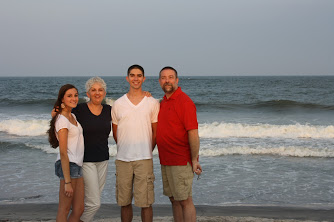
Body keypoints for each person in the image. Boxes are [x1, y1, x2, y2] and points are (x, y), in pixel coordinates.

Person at [51, 77, 112, 222]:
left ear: (104, 93)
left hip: (101, 159)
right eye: (93, 90)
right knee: (93, 203)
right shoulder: (78, 110)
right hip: (83, 162)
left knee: (84, 204)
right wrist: (56, 111)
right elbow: (57, 116)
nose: (97, 93)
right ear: (88, 93)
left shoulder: (109, 109)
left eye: (100, 90)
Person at [111, 64, 159, 222]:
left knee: (145, 203)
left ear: (143, 79)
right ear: (127, 78)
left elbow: (155, 132)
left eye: (139, 75)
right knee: (124, 202)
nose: (136, 78)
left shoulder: (152, 102)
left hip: (144, 159)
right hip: (123, 160)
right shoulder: (118, 104)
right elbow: (117, 133)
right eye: (132, 75)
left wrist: (147, 149)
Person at [156, 66, 202, 222]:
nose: (167, 80)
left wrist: (194, 159)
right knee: (174, 199)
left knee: (185, 200)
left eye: (170, 77)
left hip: (181, 161)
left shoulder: (185, 102)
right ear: (159, 81)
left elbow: (193, 133)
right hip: (166, 160)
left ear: (177, 80)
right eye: (163, 77)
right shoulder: (163, 102)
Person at [47, 84, 85, 221]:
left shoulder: (72, 115)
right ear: (62, 99)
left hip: (77, 165)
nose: (74, 98)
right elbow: (63, 152)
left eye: (75, 95)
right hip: (68, 166)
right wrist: (67, 182)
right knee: (64, 209)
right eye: (69, 96)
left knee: (79, 208)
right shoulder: (62, 120)